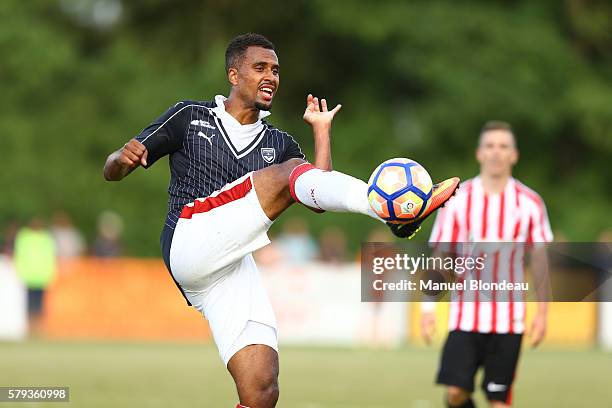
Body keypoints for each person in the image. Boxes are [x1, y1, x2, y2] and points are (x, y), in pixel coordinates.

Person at [104, 33, 459, 408]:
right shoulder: (190, 116)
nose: (271, 76)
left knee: (262, 388)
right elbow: (113, 170)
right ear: (234, 75)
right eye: (260, 68)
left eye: (275, 70)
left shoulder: (280, 143)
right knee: (287, 175)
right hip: (188, 240)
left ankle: (391, 211)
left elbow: (317, 194)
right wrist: (120, 160)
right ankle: (388, 210)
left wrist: (321, 133)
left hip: (229, 266)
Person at [422, 121, 553, 407]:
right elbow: (441, 256)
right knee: (455, 392)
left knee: (498, 400)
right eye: (490, 146)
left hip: (509, 319)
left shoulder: (530, 203)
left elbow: (540, 259)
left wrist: (542, 312)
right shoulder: (458, 200)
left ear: (514, 155)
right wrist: (428, 306)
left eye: (503, 146)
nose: (496, 152)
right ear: (479, 153)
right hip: (465, 316)